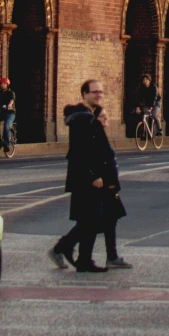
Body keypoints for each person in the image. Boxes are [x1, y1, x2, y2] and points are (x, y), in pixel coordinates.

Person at [48, 80, 110, 273]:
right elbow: (81, 151)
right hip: (85, 178)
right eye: (94, 92)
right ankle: (69, 251)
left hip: (87, 176)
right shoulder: (83, 119)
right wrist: (94, 175)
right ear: (84, 94)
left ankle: (78, 256)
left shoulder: (91, 116)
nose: (98, 95)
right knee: (90, 220)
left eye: (100, 92)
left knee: (89, 220)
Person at [95, 107, 131, 268]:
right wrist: (96, 176)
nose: (106, 122)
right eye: (103, 118)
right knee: (95, 222)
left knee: (110, 218)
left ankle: (112, 255)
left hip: (110, 185)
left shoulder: (99, 135)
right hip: (103, 186)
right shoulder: (94, 136)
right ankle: (62, 247)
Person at [0, 76, 15, 154]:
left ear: (7, 84)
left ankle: (6, 143)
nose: (2, 85)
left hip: (10, 113)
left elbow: (12, 99)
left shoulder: (10, 92)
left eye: (4, 83)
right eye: (1, 83)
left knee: (6, 126)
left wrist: (10, 105)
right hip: (2, 112)